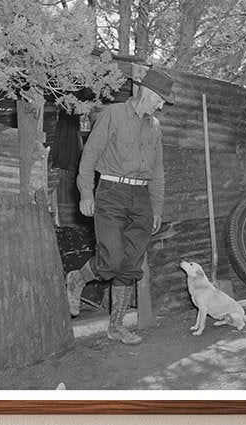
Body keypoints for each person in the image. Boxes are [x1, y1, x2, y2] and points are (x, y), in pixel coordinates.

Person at [66, 67, 173, 345]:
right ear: (147, 93)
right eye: (160, 99)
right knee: (111, 259)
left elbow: (158, 171)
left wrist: (157, 207)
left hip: (141, 199)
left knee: (130, 265)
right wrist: (86, 193)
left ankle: (117, 327)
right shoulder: (113, 114)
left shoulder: (155, 127)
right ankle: (78, 279)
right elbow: (89, 155)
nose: (161, 106)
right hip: (111, 192)